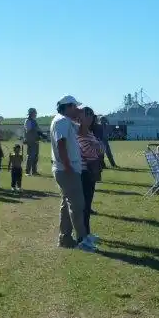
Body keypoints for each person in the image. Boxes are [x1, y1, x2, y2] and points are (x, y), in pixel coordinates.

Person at [51, 96, 93, 251]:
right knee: (77, 205)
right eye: (75, 107)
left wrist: (82, 118)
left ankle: (65, 238)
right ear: (67, 107)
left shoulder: (66, 121)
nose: (77, 110)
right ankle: (82, 239)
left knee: (67, 205)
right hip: (66, 169)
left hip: (66, 169)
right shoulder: (61, 121)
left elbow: (82, 131)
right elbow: (61, 143)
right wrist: (68, 166)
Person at [78, 107, 104, 238]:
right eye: (87, 115)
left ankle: (87, 233)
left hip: (91, 171)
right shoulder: (80, 133)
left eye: (91, 116)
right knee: (85, 205)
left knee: (88, 205)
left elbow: (100, 149)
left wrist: (98, 147)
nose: (90, 118)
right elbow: (90, 152)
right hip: (85, 172)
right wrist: (98, 147)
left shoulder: (88, 132)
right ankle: (84, 234)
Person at [23, 108, 43, 175]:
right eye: (35, 113)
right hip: (31, 141)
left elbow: (37, 129)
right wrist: (37, 131)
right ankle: (27, 171)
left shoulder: (34, 121)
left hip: (36, 141)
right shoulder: (28, 121)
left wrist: (41, 134)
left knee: (35, 157)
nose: (36, 114)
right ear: (31, 113)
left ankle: (34, 171)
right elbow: (28, 130)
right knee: (30, 156)